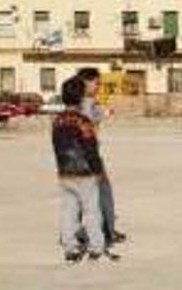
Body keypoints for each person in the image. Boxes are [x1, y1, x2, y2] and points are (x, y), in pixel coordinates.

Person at [52, 76, 116, 263]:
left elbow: (57, 147)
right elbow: (91, 148)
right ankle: (97, 248)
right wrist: (97, 171)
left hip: (65, 173)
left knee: (68, 211)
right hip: (85, 173)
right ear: (80, 97)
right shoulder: (83, 122)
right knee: (92, 211)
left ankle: (70, 248)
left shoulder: (57, 121)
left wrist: (61, 168)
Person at [74, 67, 126, 247]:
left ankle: (79, 231)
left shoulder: (82, 102)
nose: (98, 86)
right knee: (101, 194)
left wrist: (105, 113)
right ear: (86, 83)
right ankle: (106, 232)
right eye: (96, 83)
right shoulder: (86, 104)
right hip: (87, 156)